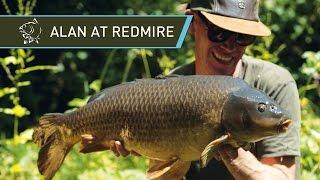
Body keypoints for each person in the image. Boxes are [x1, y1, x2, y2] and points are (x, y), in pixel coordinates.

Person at [94, 0, 301, 179]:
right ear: (192, 23)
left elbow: (282, 177)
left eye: (242, 37)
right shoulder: (172, 87)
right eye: (219, 32)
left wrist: (229, 146)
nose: (230, 46)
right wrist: (148, 147)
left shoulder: (273, 84)